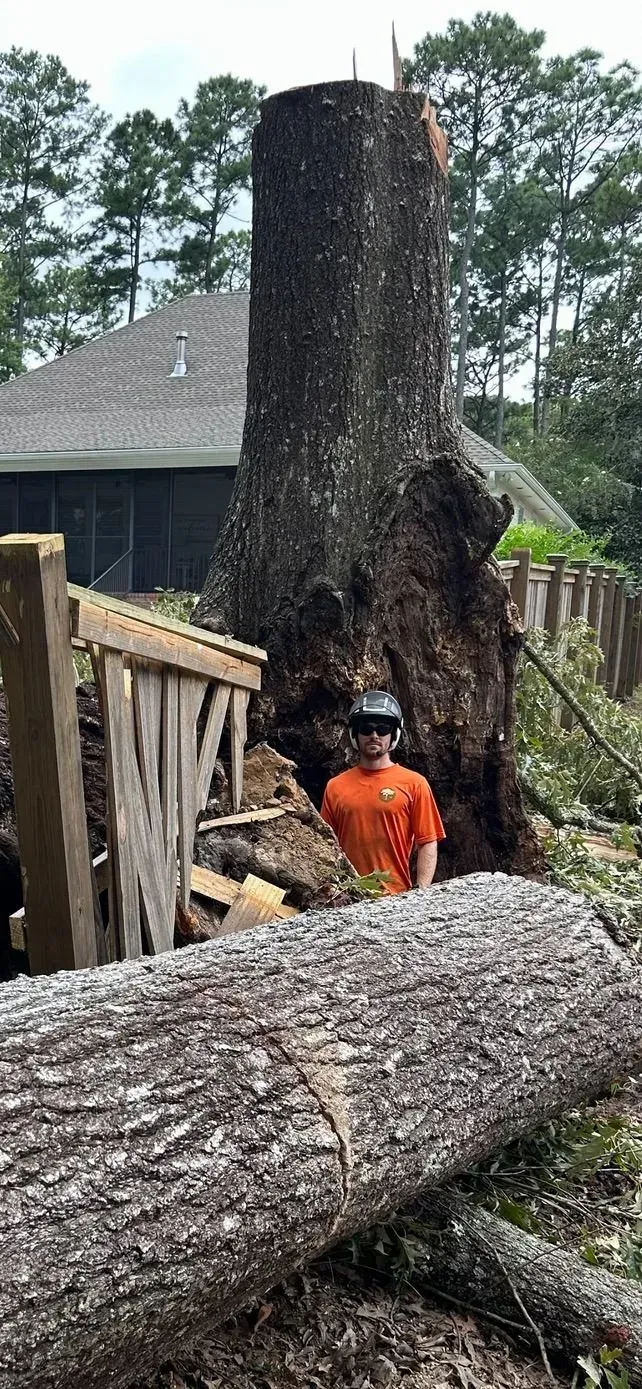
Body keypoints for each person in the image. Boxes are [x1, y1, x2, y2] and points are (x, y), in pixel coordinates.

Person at [321, 691, 445, 894]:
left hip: (396, 898)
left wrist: (422, 893)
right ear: (355, 733)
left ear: (394, 734)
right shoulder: (335, 786)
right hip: (347, 897)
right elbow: (325, 844)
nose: (374, 735)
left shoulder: (414, 784)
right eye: (366, 728)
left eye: (383, 728)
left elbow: (428, 841)